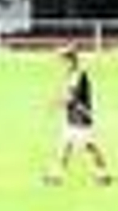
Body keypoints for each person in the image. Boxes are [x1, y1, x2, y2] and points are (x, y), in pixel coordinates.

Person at [44, 45, 110, 185]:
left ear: (70, 60)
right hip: (73, 117)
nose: (60, 64)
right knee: (65, 146)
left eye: (62, 60)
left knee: (89, 147)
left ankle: (103, 174)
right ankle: (57, 176)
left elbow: (72, 97)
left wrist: (56, 103)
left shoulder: (77, 75)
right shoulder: (71, 74)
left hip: (80, 118)